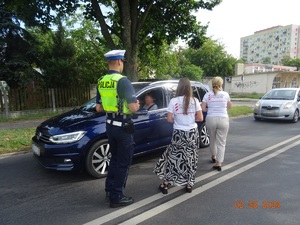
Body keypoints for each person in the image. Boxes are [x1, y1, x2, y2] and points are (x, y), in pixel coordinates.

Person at [96, 49, 140, 208]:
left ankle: (109, 190)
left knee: (114, 159)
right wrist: (136, 105)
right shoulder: (123, 81)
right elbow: (133, 107)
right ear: (120, 61)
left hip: (109, 126)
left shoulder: (101, 80)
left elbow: (98, 108)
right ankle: (117, 197)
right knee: (123, 162)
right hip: (123, 127)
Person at [153, 77, 203, 194]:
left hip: (178, 134)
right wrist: (190, 120)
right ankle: (189, 184)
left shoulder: (173, 101)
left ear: (179, 88)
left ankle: (166, 184)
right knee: (191, 157)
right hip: (191, 134)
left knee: (173, 158)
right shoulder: (195, 101)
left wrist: (178, 120)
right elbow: (200, 118)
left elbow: (169, 119)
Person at [201, 76, 232, 172]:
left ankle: (213, 156)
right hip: (223, 119)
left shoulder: (207, 95)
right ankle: (218, 163)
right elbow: (229, 107)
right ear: (221, 84)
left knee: (212, 139)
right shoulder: (225, 94)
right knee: (221, 142)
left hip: (211, 118)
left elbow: (203, 108)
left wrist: (209, 109)